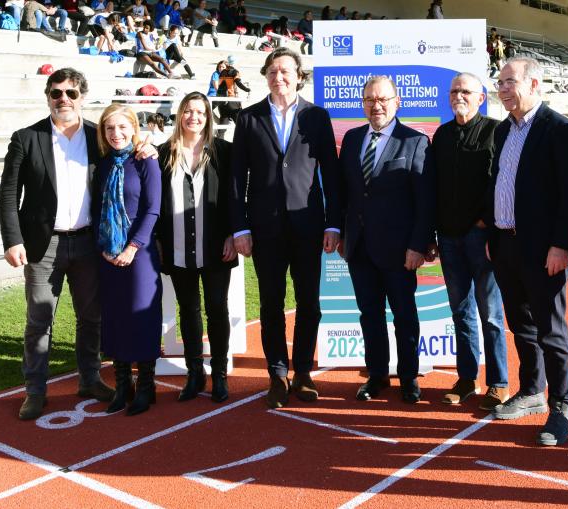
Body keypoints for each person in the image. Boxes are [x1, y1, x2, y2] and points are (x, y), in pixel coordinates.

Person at [0, 68, 122, 421]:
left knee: (91, 317)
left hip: (87, 243)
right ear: (48, 96)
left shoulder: (99, 136)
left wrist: (145, 147)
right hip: (42, 245)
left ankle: (90, 379)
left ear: (82, 96)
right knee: (39, 320)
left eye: (70, 93)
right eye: (56, 93)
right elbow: (9, 193)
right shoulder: (26, 137)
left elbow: (127, 154)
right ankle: (35, 391)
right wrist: (12, 240)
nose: (63, 99)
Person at [230, 48, 341, 408]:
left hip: (308, 226)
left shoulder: (317, 117)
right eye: (273, 71)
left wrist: (334, 223)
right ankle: (277, 373)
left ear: (298, 75)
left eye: (286, 71)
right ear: (266, 75)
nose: (279, 77)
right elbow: (236, 179)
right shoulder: (248, 119)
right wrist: (240, 228)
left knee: (309, 303)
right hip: (264, 229)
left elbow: (332, 175)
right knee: (271, 304)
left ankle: (304, 372)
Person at [487, 56, 568, 446]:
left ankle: (563, 406)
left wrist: (561, 245)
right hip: (506, 244)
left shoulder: (558, 129)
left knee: (551, 329)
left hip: (546, 249)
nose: (504, 89)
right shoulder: (502, 132)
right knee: (521, 325)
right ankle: (532, 391)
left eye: (511, 82)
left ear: (533, 84)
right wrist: (495, 239)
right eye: (500, 83)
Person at [338, 76, 433, 404]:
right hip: (358, 246)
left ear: (397, 102)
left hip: (399, 249)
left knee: (405, 314)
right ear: (362, 103)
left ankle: (409, 377)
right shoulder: (351, 139)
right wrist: (338, 232)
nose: (375, 106)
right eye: (369, 100)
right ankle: (377, 375)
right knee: (370, 315)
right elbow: (343, 193)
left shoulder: (415, 142)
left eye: (382, 99)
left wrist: (418, 245)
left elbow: (424, 201)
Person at [428, 72, 508, 411]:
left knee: (490, 313)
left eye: (466, 90)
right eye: (454, 91)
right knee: (460, 311)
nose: (459, 95)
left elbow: (501, 182)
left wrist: (485, 223)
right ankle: (466, 378)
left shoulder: (495, 131)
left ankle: (499, 383)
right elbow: (432, 187)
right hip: (448, 238)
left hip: (482, 238)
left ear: (480, 97)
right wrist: (432, 234)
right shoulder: (442, 135)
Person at [157, 92, 236, 403]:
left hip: (217, 245)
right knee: (188, 310)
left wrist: (233, 233)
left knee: (218, 308)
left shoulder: (224, 152)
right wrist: (159, 240)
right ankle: (194, 373)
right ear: (180, 115)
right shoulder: (164, 153)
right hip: (177, 245)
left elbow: (234, 198)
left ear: (209, 117)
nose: (194, 117)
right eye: (188, 111)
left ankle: (219, 373)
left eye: (200, 112)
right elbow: (157, 203)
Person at [91, 104, 162, 417]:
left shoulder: (145, 160)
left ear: (134, 128)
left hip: (140, 253)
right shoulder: (103, 164)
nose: (116, 134)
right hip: (108, 253)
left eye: (122, 127)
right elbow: (96, 210)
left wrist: (132, 247)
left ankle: (146, 386)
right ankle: (123, 385)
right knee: (115, 317)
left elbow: (153, 209)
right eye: (109, 128)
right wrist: (104, 247)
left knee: (140, 316)